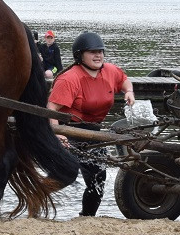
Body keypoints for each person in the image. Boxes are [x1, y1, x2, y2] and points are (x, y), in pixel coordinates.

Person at [47, 31, 135, 216]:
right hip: (69, 130)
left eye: (101, 51)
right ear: (80, 55)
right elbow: (51, 109)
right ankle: (35, 198)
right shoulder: (69, 78)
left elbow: (124, 80)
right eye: (92, 52)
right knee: (66, 174)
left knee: (98, 179)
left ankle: (87, 217)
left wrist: (129, 92)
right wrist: (57, 134)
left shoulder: (110, 71)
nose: (98, 55)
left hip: (94, 132)